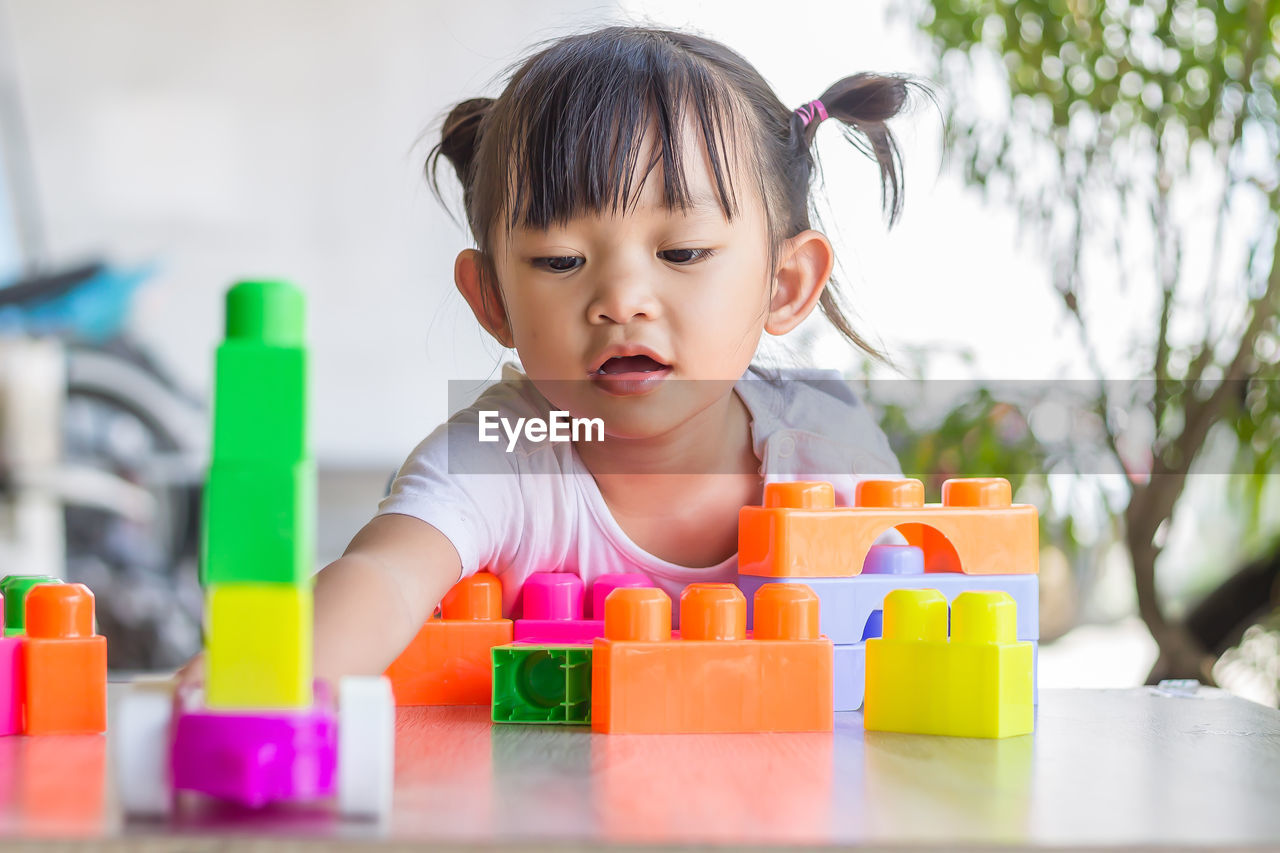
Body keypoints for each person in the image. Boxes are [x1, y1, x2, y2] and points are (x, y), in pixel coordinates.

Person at [203, 25, 928, 682]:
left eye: (681, 251)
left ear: (785, 284)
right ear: (491, 299)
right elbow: (386, 575)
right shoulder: (509, 454)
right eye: (558, 260)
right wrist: (260, 676)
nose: (620, 299)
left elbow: (918, 626)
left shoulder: (828, 449)